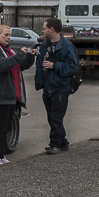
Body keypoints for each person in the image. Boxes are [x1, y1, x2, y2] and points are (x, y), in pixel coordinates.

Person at [0, 24, 37, 168]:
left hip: (12, 95)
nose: (8, 38)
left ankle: (1, 156)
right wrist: (20, 54)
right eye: (5, 35)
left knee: (7, 128)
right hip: (0, 96)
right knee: (1, 129)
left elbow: (20, 65)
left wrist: (30, 57)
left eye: (9, 35)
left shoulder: (9, 50)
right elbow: (2, 65)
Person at [34, 18, 79, 155]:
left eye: (44, 28)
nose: (42, 31)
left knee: (56, 117)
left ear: (52, 29)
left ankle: (55, 144)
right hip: (47, 87)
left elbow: (73, 67)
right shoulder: (44, 45)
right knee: (52, 117)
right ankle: (63, 142)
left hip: (60, 88)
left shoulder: (67, 46)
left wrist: (55, 66)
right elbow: (39, 65)